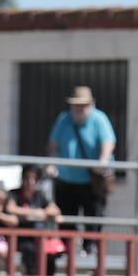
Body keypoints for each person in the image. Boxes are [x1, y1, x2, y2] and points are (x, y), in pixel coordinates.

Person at [46, 86, 116, 254]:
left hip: (91, 179)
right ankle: (67, 249)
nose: (79, 108)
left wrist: (102, 162)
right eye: (76, 104)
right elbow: (54, 145)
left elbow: (108, 144)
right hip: (66, 179)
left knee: (93, 216)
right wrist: (52, 163)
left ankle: (89, 247)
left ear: (91, 105)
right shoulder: (64, 119)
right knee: (67, 216)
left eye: (83, 104)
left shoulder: (99, 119)